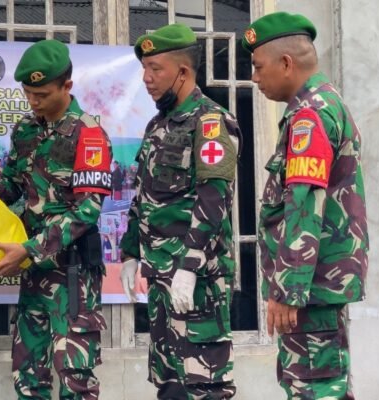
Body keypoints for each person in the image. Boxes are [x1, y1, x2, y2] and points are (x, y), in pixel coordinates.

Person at [0, 39, 113, 399]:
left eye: (42, 94)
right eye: (28, 93)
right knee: (27, 371)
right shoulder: (25, 130)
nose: (33, 101)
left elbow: (87, 210)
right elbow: (15, 185)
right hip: (33, 270)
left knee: (74, 377)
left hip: (72, 275)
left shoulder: (89, 134)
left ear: (67, 86)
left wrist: (30, 248)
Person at [243, 12, 369, 399]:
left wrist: (286, 289)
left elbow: (303, 204)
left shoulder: (309, 116)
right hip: (317, 287)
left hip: (311, 289)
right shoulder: (318, 106)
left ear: (286, 63)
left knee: (315, 389)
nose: (254, 77)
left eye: (258, 66)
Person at [119, 24, 241, 399]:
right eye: (144, 68)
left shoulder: (210, 122)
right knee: (170, 387)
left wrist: (189, 266)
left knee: (204, 388)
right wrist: (129, 253)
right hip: (160, 284)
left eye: (155, 68)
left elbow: (214, 199)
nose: (146, 78)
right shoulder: (158, 126)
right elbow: (143, 197)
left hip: (197, 284)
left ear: (183, 72)